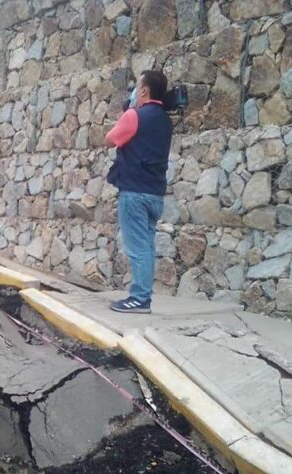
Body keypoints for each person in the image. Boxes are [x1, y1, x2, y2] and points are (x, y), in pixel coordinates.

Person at [104, 70, 173, 314]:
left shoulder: (134, 116)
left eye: (137, 87)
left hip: (134, 193)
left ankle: (140, 298)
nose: (134, 91)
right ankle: (143, 296)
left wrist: (127, 112)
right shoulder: (165, 119)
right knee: (148, 246)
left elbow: (110, 139)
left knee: (137, 248)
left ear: (144, 91)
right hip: (155, 194)